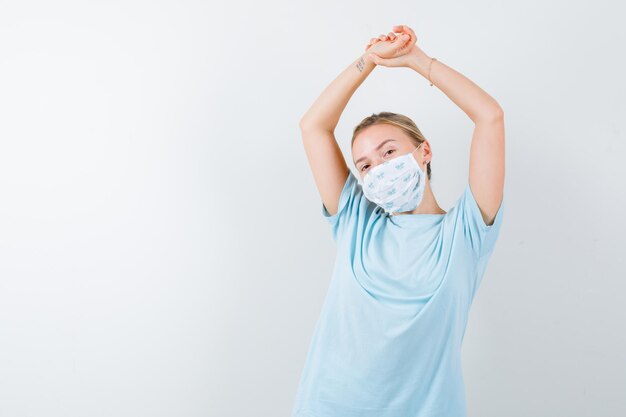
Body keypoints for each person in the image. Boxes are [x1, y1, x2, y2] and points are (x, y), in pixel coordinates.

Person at [292, 24, 505, 417]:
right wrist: (368, 60)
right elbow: (313, 127)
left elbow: (490, 116)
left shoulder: (466, 232)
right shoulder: (357, 223)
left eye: (388, 151)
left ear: (424, 151)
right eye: (366, 165)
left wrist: (415, 61)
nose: (379, 168)